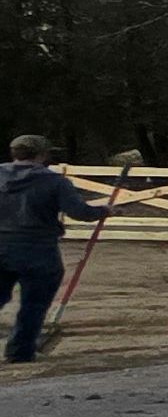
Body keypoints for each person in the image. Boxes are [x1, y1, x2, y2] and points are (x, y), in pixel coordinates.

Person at [1, 136, 109, 363]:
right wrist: (104, 211)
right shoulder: (54, 181)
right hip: (38, 249)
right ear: (42, 155)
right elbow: (79, 212)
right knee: (34, 304)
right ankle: (19, 352)